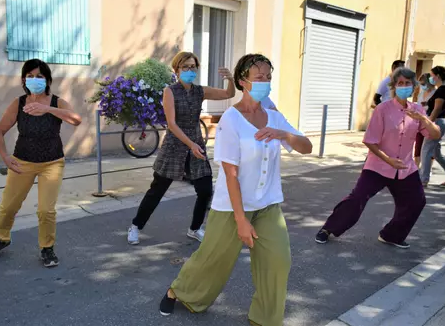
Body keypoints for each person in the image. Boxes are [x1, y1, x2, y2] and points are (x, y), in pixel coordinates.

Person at [157, 54, 312, 325]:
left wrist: (284, 135)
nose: (265, 81)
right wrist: (241, 221)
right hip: (232, 207)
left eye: (268, 76)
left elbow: (306, 146)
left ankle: (265, 319)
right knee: (213, 260)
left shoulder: (274, 115)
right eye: (259, 77)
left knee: (278, 262)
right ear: (243, 82)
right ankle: (179, 291)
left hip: (267, 205)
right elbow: (231, 174)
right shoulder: (231, 119)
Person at [315, 67, 440, 249]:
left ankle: (391, 235)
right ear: (394, 86)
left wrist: (424, 119)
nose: (404, 86)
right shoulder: (383, 109)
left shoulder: (418, 109)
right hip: (378, 166)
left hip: (405, 168)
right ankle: (328, 229)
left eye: (407, 83)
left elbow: (435, 135)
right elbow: (370, 141)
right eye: (400, 83)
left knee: (417, 201)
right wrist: (388, 160)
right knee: (357, 198)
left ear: (414, 86)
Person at [127, 52, 235, 245]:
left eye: (193, 66)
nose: (189, 70)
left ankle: (194, 228)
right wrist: (191, 144)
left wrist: (230, 79)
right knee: (157, 190)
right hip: (174, 147)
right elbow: (172, 124)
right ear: (176, 70)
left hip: (195, 146)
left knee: (205, 190)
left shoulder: (199, 91)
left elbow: (229, 94)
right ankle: (135, 226)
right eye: (185, 67)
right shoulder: (170, 91)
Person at [0, 59, 82, 267]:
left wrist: (48, 110)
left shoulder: (56, 102)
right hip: (22, 162)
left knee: (46, 210)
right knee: (9, 206)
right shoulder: (18, 103)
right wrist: (5, 157)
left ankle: (47, 248)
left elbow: (76, 119)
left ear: (47, 80)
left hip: (51, 163)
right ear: (23, 79)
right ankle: (1, 239)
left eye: (39, 76)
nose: (34, 80)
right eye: (30, 76)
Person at [420, 66, 445, 187]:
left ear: (437, 76)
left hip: (437, 121)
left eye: (432, 75)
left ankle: (423, 180)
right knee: (436, 152)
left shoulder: (442, 89)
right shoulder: (442, 89)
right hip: (439, 121)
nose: (430, 78)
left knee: (426, 150)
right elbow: (436, 104)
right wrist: (426, 103)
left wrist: (428, 123)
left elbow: (437, 109)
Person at [414, 73, 436, 167]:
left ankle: (428, 168)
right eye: (421, 84)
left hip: (430, 121)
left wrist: (427, 104)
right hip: (419, 122)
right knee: (418, 146)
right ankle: (416, 168)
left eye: (423, 84)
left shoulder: (435, 93)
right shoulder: (421, 93)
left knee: (429, 147)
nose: (422, 86)